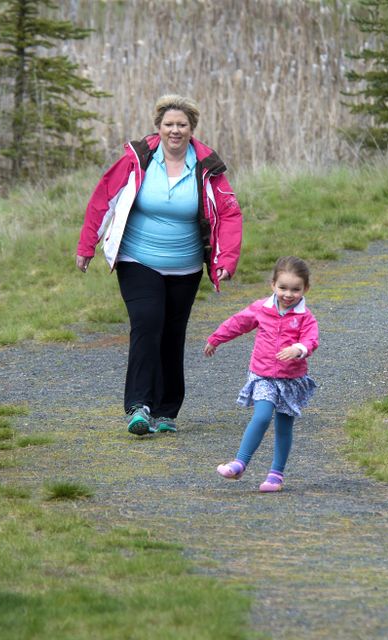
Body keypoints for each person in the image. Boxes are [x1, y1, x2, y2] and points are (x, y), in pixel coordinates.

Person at [76, 95, 243, 436]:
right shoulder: (138, 159)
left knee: (171, 335)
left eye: (182, 124)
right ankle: (139, 407)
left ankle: (166, 411)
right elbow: (102, 199)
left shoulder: (207, 167)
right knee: (147, 324)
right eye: (169, 124)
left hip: (186, 267)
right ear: (159, 127)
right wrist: (87, 245)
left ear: (191, 128)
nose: (175, 130)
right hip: (138, 259)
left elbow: (228, 213)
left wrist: (226, 259)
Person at [204, 256, 319, 493]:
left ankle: (276, 475)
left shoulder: (305, 317)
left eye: (296, 289)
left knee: (284, 427)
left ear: (305, 289)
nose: (288, 294)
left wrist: (298, 349)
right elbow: (238, 323)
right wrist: (216, 338)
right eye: (283, 288)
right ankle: (239, 463)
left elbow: (311, 340)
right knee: (262, 416)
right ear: (273, 285)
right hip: (263, 375)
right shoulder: (261, 308)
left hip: (291, 380)